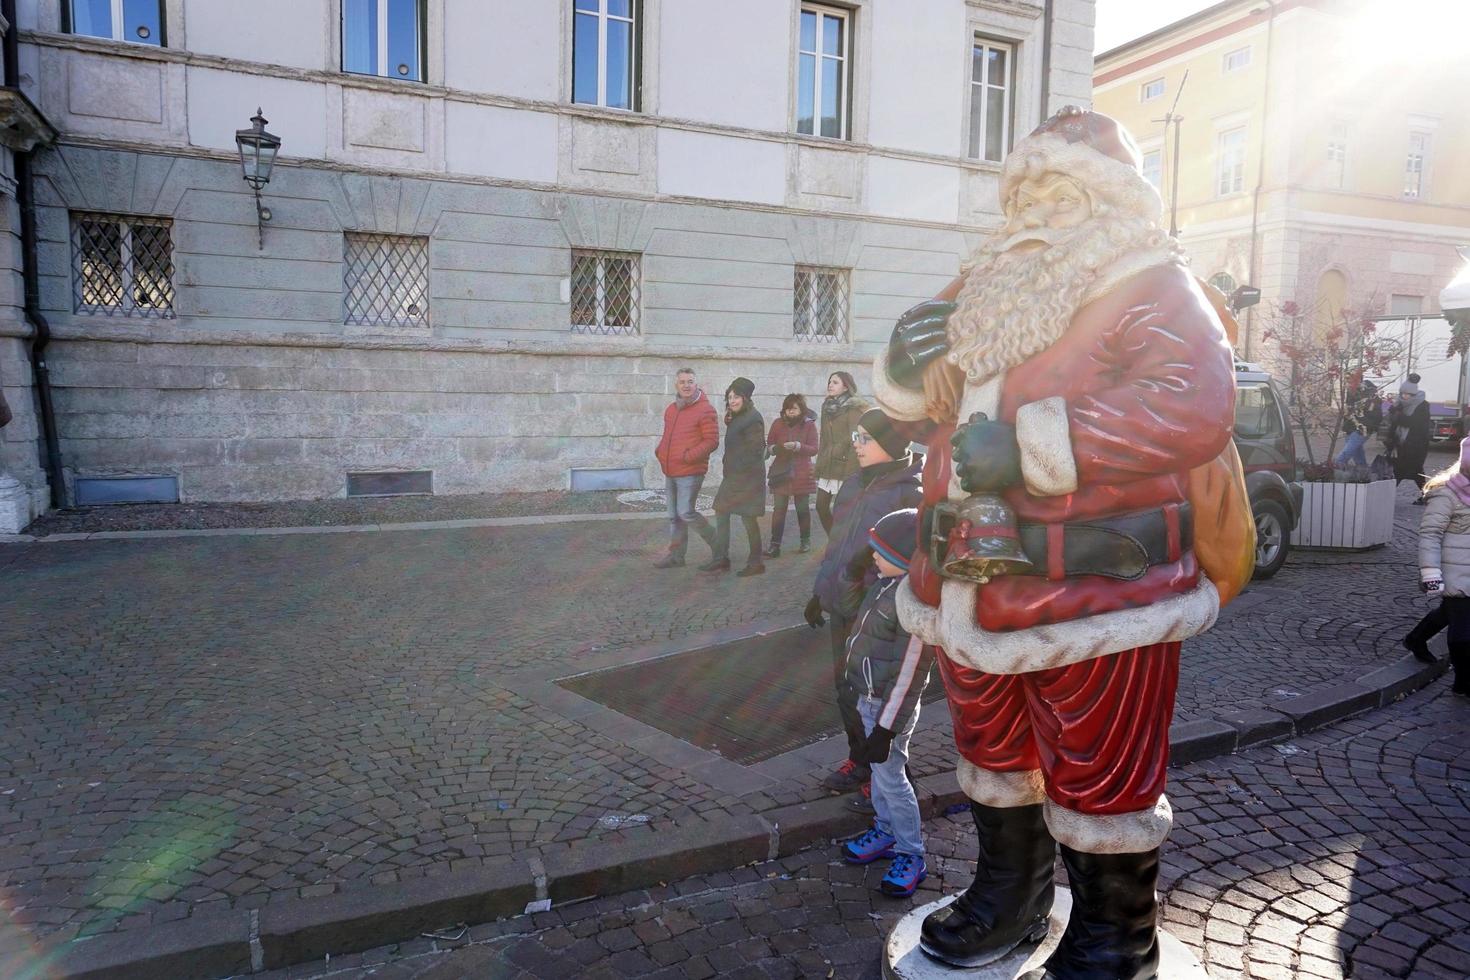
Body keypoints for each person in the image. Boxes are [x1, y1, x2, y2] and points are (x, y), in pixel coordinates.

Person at [874, 106, 1251, 977]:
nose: (1041, 205)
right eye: (1028, 189)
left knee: (1102, 765)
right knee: (993, 754)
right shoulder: (984, 281)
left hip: (1097, 588)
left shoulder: (1151, 284)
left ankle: (1117, 937)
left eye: (1062, 188)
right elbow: (901, 392)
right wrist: (901, 358)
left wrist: (1035, 445)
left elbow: (1190, 404)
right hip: (970, 579)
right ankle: (1010, 899)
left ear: (1108, 199)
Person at [806, 408, 922, 798]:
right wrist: (820, 592)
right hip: (842, 601)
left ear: (889, 443)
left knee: (877, 693)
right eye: (855, 437)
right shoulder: (853, 483)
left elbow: (913, 562)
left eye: (864, 438)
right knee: (845, 688)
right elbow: (837, 542)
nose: (856, 445)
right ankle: (859, 758)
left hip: (877, 609)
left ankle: (886, 773)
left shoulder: (911, 492)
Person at [837, 507, 936, 898]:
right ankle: (885, 830)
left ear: (901, 557)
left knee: (893, 778)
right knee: (880, 775)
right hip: (869, 699)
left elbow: (909, 674)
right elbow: (852, 618)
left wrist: (884, 727)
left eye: (879, 551)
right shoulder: (884, 585)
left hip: (888, 709)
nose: (872, 556)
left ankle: (912, 852)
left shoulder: (911, 602)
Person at [1417, 436, 1470, 695]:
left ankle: (1415, 640)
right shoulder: (1447, 494)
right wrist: (1430, 573)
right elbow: (1430, 534)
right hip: (1454, 572)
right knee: (1462, 634)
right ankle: (1463, 683)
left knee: (1448, 614)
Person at [653, 368, 719, 568]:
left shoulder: (706, 410)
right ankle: (676, 556)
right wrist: (660, 452)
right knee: (674, 517)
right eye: (682, 382)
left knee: (685, 512)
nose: (686, 385)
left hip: (690, 471)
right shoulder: (671, 409)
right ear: (677, 385)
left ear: (696, 384)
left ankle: (719, 545)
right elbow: (668, 437)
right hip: (670, 469)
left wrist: (688, 457)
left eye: (690, 381)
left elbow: (711, 441)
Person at [702, 377, 766, 577]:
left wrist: (737, 470)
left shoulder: (753, 418)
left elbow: (755, 451)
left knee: (749, 519)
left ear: (745, 398)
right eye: (729, 397)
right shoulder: (736, 418)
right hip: (733, 478)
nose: (732, 400)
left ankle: (756, 563)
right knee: (721, 512)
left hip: (748, 479)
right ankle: (721, 558)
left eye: (736, 396)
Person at [814, 372, 870, 536]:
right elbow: (824, 439)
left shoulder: (854, 409)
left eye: (835, 382)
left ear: (846, 386)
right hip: (828, 466)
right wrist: (820, 464)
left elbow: (857, 440)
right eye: (829, 381)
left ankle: (844, 546)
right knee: (821, 507)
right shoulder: (827, 407)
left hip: (846, 467)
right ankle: (834, 541)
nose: (830, 385)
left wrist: (850, 473)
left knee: (844, 513)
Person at [765, 394, 819, 557]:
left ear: (801, 409)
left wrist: (798, 446)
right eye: (788, 408)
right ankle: (775, 545)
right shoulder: (777, 423)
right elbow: (769, 445)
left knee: (802, 509)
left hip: (802, 473)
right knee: (779, 510)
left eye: (794, 408)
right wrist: (777, 448)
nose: (791, 412)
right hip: (781, 472)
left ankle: (805, 541)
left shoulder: (809, 426)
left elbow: (814, 448)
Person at [1387, 374, 1431, 501]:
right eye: (1403, 394)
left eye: (1408, 394)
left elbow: (1416, 424)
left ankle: (1428, 495)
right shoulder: (1399, 404)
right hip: (1401, 444)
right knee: (1400, 470)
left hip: (1416, 445)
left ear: (1414, 394)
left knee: (1413, 471)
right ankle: (1427, 495)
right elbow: (1392, 423)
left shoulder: (1423, 405)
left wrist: (1398, 416)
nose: (1405, 396)